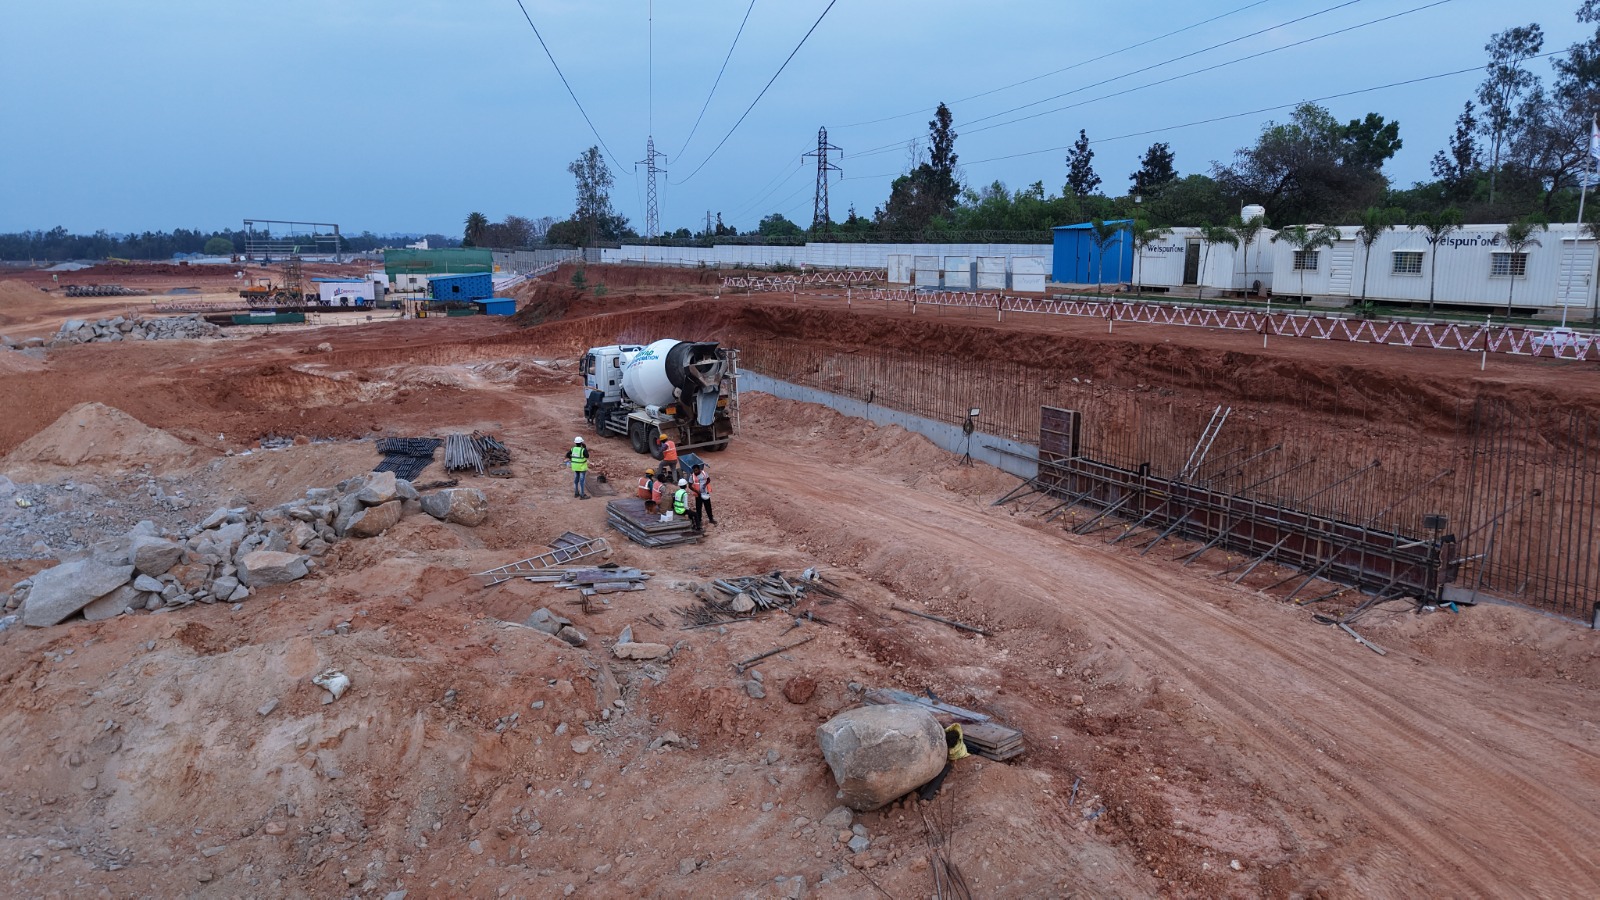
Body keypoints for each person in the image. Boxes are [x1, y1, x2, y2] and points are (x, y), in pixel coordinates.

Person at [690, 462, 716, 527]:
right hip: (698, 494)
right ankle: (699, 520)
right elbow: (690, 486)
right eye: (694, 471)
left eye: (696, 470)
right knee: (698, 508)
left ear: (699, 469)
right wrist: (696, 491)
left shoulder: (704, 473)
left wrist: (705, 484)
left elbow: (708, 479)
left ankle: (711, 519)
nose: (695, 472)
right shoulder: (692, 476)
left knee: (708, 506)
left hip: (705, 493)